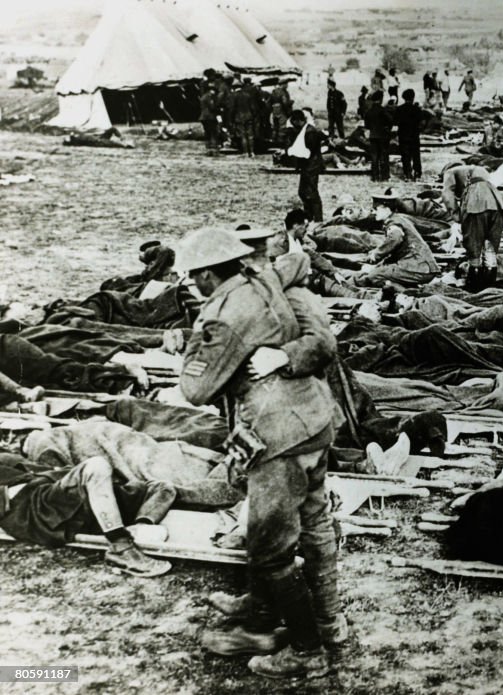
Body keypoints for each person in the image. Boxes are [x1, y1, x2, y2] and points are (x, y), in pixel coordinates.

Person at [176, 228, 343, 679]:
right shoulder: (263, 281)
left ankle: (308, 651)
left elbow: (195, 388)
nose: (193, 286)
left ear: (210, 274)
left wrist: (189, 341)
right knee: (309, 518)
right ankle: (267, 621)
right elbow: (295, 264)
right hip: (309, 419)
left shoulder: (222, 317)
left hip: (277, 434)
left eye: (194, 279)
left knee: (270, 548)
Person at [0, 454, 174, 577]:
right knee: (97, 464)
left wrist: (143, 522)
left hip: (90, 504)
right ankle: (120, 547)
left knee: (164, 486)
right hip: (38, 504)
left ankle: (136, 527)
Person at [442, 163, 503, 290]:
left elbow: (447, 195)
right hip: (497, 204)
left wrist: (457, 215)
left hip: (475, 203)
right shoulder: (480, 170)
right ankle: (489, 287)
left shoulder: (450, 172)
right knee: (490, 249)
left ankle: (475, 287)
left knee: (474, 247)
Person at [286, 109, 328, 223]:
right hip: (308, 165)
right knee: (303, 192)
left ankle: (318, 219)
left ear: (298, 121)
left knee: (312, 193)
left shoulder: (309, 132)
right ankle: (309, 217)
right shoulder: (306, 130)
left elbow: (307, 151)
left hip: (311, 166)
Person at [395, 89, 425, 180]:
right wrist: (419, 129)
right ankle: (417, 172)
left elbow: (395, 122)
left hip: (403, 135)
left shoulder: (399, 109)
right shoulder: (417, 109)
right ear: (413, 97)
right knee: (416, 154)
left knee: (405, 155)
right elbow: (423, 122)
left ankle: (407, 173)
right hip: (414, 135)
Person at [363, 91, 393, 182]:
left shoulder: (369, 111)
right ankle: (384, 176)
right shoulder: (383, 110)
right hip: (383, 136)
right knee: (384, 156)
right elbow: (390, 120)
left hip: (373, 136)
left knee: (374, 157)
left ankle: (375, 176)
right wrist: (388, 128)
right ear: (380, 99)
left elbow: (367, 125)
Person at [199, 83, 220, 156]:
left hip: (203, 117)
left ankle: (208, 150)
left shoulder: (203, 97)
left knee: (207, 133)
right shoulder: (209, 97)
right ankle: (214, 150)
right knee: (213, 133)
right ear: (211, 90)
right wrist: (220, 110)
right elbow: (212, 107)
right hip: (210, 117)